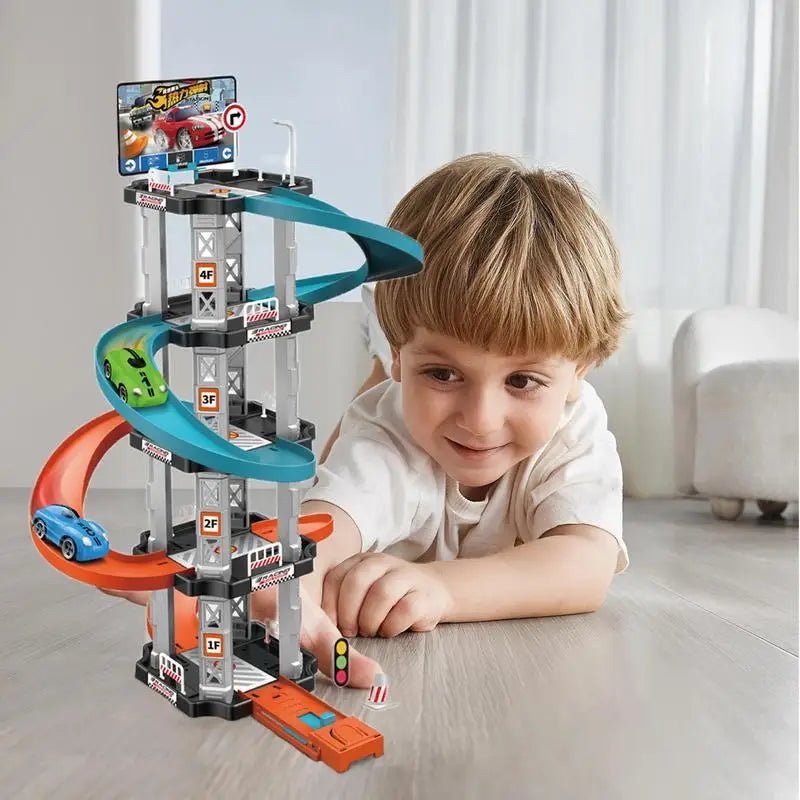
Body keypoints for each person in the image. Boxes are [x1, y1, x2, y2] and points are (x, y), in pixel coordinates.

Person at [110, 154, 630, 690]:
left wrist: (443, 590)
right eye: (443, 373)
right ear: (399, 354)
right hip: (379, 429)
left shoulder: (576, 429)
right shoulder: (390, 428)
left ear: (579, 372)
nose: (480, 420)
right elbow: (330, 523)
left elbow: (585, 565)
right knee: (361, 429)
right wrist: (286, 582)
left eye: (522, 381)